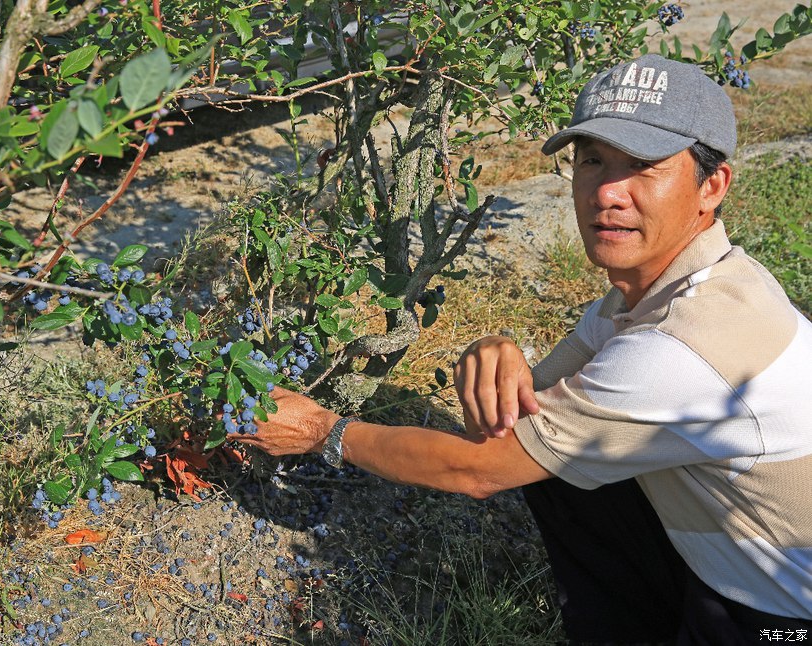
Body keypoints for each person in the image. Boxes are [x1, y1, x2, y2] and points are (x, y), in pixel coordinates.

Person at [236, 54, 812, 644]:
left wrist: (322, 431)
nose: (608, 192)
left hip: (782, 618)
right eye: (592, 160)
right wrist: (497, 348)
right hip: (723, 563)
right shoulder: (663, 291)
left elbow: (479, 469)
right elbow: (523, 413)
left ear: (711, 186)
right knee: (555, 457)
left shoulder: (683, 344)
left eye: (643, 167)